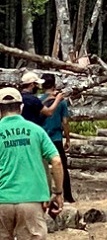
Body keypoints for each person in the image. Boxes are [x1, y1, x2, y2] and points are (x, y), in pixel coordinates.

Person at [0, 87, 64, 239]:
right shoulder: (36, 131)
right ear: (21, 107)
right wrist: (58, 193)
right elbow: (56, 161)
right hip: (32, 199)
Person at [40, 74, 75, 203]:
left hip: (42, 138)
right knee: (62, 167)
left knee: (42, 167)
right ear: (54, 84)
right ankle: (68, 195)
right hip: (56, 138)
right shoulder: (61, 102)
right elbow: (65, 121)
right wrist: (68, 138)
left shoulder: (39, 100)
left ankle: (44, 194)